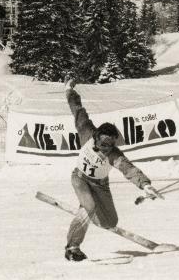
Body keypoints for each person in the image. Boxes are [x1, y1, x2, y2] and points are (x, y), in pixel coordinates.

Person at [63, 78, 162, 262]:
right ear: (96, 137)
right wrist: (69, 90)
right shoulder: (86, 131)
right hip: (80, 178)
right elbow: (77, 109)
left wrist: (146, 186)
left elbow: (129, 170)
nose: (106, 148)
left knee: (110, 222)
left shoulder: (114, 155)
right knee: (89, 206)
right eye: (103, 143)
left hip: (100, 185)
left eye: (110, 145)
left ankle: (86, 208)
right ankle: (73, 247)